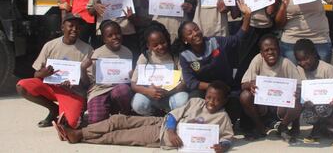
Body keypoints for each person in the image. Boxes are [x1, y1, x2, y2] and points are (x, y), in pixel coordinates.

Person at [54, 81, 234, 153]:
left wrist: (222, 147)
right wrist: (171, 129)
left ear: (224, 101)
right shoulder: (196, 102)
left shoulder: (222, 118)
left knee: (121, 137)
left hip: (161, 137)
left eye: (217, 100)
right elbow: (173, 115)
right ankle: (80, 131)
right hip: (164, 125)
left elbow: (227, 138)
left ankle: (79, 136)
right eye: (209, 97)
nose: (211, 102)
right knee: (119, 120)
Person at [16, 13, 93, 129]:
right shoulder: (50, 45)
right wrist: (44, 73)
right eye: (71, 26)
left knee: (70, 124)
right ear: (62, 27)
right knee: (22, 86)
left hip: (72, 92)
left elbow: (89, 83)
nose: (74, 30)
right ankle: (54, 109)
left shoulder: (87, 49)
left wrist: (76, 81)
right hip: (52, 87)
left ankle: (74, 111)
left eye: (78, 27)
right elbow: (36, 74)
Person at [174, 0, 251, 98]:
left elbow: (237, 39)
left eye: (196, 29)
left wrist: (247, 17)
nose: (195, 33)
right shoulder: (185, 56)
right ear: (185, 40)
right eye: (190, 33)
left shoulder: (215, 41)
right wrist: (213, 87)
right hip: (205, 91)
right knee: (194, 98)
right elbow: (190, 82)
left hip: (226, 87)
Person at [239, 34, 302, 140]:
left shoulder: (286, 63)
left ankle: (283, 127)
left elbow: (299, 86)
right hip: (263, 105)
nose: (270, 52)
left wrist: (297, 92)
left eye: (273, 49)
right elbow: (243, 84)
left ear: (279, 50)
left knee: (299, 100)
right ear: (261, 53)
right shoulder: (257, 60)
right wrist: (251, 84)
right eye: (266, 50)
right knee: (245, 96)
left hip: (281, 106)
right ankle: (260, 127)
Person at [235, 0, 278, 87]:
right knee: (244, 64)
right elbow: (236, 11)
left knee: (266, 65)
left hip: (264, 30)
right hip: (248, 27)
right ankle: (241, 92)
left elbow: (270, 11)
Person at [130, 22, 189, 116]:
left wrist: (169, 91)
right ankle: (153, 113)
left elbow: (184, 82)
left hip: (171, 95)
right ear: (149, 46)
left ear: (167, 39)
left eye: (163, 42)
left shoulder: (175, 56)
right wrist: (148, 91)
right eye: (155, 45)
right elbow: (133, 84)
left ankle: (170, 113)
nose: (160, 46)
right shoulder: (145, 57)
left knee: (183, 100)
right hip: (150, 95)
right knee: (138, 104)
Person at [294, 39, 333, 148]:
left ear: (314, 54)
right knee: (308, 114)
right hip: (312, 102)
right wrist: (302, 98)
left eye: (306, 58)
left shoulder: (327, 69)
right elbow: (301, 89)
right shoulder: (299, 69)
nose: (303, 63)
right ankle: (319, 128)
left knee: (321, 108)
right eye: (299, 60)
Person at [84, 21, 133, 124]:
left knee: (123, 90)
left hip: (118, 89)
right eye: (110, 35)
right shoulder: (96, 54)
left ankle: (124, 113)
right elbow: (88, 81)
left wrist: (131, 76)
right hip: (100, 90)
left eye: (117, 33)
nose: (115, 37)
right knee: (96, 121)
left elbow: (129, 79)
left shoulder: (128, 52)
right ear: (104, 39)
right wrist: (83, 69)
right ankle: (106, 110)